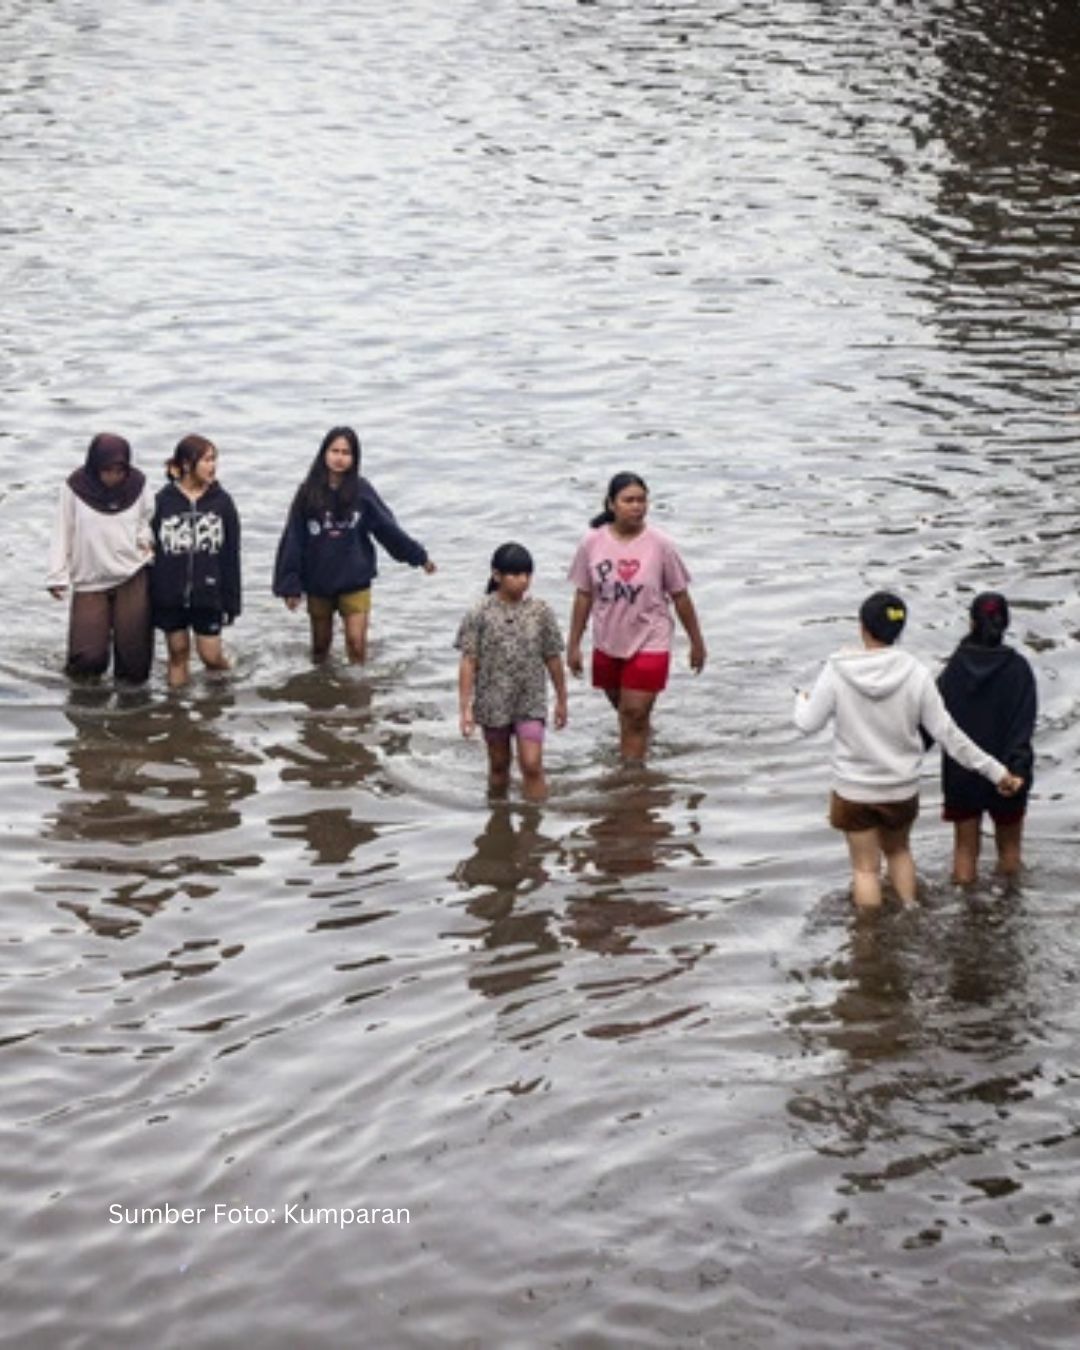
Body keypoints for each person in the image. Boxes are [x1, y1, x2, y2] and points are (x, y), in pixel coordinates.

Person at [793, 591, 1024, 910]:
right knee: (899, 852)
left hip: (854, 790)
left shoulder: (838, 669)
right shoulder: (916, 673)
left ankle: (870, 939)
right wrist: (997, 772)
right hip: (900, 789)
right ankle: (910, 911)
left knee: (865, 869)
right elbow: (948, 735)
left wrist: (801, 701)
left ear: (862, 627)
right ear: (899, 631)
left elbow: (807, 724)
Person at [566, 471, 705, 764]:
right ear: (611, 504)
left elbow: (680, 595)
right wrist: (573, 644)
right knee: (625, 710)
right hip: (608, 639)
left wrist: (697, 643)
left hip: (650, 637)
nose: (637, 506)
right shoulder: (591, 543)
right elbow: (584, 594)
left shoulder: (660, 544)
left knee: (634, 712)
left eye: (642, 500)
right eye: (628, 500)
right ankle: (642, 748)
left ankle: (632, 782)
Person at [273, 426, 436, 664]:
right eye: (334, 451)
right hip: (318, 580)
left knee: (356, 644)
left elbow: (387, 529)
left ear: (354, 458)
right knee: (320, 648)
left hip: (355, 578)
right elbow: (293, 539)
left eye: (346, 452)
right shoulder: (307, 493)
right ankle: (320, 695)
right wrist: (289, 585)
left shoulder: (362, 491)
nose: (339, 458)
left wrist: (419, 557)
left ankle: (358, 694)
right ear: (324, 453)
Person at [935, 591, 1036, 885]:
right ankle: (1007, 913)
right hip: (1008, 773)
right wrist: (1018, 769)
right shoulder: (1018, 669)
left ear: (971, 623)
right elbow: (1023, 725)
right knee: (1010, 851)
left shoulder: (954, 668)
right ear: (1005, 623)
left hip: (962, 773)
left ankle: (967, 915)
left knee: (964, 851)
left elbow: (935, 721)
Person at [456, 542, 568, 801]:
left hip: (530, 699)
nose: (523, 581)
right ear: (497, 576)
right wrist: (465, 708)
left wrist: (562, 699)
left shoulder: (540, 612)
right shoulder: (479, 613)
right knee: (498, 767)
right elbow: (468, 661)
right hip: (493, 701)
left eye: (527, 575)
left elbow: (552, 657)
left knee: (531, 765)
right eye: (516, 574)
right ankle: (497, 818)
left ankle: (534, 822)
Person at [46, 432, 154, 682]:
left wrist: (145, 540)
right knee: (87, 660)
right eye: (107, 470)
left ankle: (133, 715)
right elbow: (62, 529)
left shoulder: (138, 485)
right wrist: (57, 575)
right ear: (95, 467)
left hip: (131, 574)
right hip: (90, 578)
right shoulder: (75, 488)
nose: (113, 477)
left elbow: (145, 519)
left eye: (119, 470)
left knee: (134, 662)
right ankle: (85, 709)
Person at [150, 434, 241, 688]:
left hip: (208, 594)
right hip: (171, 595)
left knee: (210, 656)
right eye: (207, 460)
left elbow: (231, 554)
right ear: (188, 464)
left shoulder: (222, 503)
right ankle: (176, 710)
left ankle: (225, 692)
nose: (213, 466)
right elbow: (150, 550)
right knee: (177, 653)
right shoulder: (162, 502)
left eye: (215, 460)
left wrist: (232, 600)